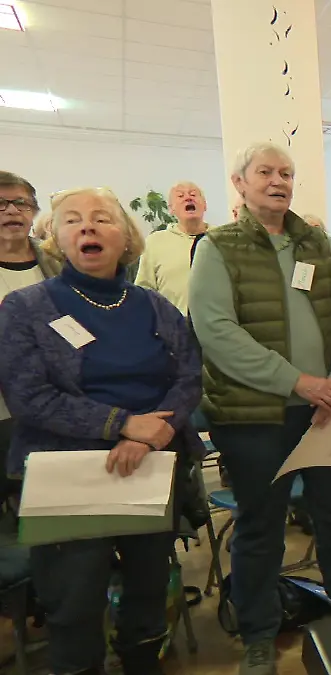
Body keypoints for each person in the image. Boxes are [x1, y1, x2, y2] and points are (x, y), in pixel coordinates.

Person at [0, 187, 204, 675]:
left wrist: (150, 432)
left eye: (102, 219)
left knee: (148, 591)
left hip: (151, 466)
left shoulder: (155, 306)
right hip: (66, 473)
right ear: (56, 237)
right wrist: (121, 424)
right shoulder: (24, 308)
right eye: (72, 220)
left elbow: (189, 375)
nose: (87, 227)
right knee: (73, 603)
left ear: (126, 237)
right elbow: (28, 396)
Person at [189, 142, 331, 675]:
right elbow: (216, 332)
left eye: (286, 173)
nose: (277, 181)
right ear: (239, 183)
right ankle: (259, 635)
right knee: (261, 526)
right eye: (264, 172)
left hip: (329, 410)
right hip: (255, 417)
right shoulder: (218, 248)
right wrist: (299, 382)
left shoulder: (318, 242)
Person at [0, 172, 61, 474]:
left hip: (55, 404)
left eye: (21, 203)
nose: (12, 211)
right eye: (0, 204)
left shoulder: (59, 261)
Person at [135, 181, 210, 313]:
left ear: (205, 205)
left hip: (217, 325)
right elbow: (144, 291)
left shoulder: (221, 238)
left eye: (193, 194)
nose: (188, 198)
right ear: (171, 209)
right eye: (180, 196)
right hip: (174, 326)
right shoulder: (155, 242)